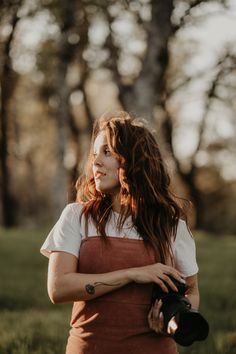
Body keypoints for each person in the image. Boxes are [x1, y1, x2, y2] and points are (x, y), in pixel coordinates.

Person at [40, 111, 199, 354]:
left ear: (133, 160)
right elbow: (58, 288)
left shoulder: (171, 227)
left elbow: (192, 291)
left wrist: (172, 321)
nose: (95, 162)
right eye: (95, 153)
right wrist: (133, 274)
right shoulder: (76, 216)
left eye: (107, 152)